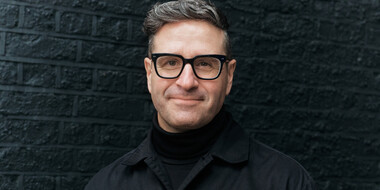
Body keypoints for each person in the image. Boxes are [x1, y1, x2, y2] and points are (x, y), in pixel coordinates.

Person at [85, 0, 316, 189]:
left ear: (229, 76)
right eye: (171, 62)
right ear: (149, 73)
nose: (187, 82)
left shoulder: (286, 182)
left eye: (205, 63)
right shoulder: (105, 185)